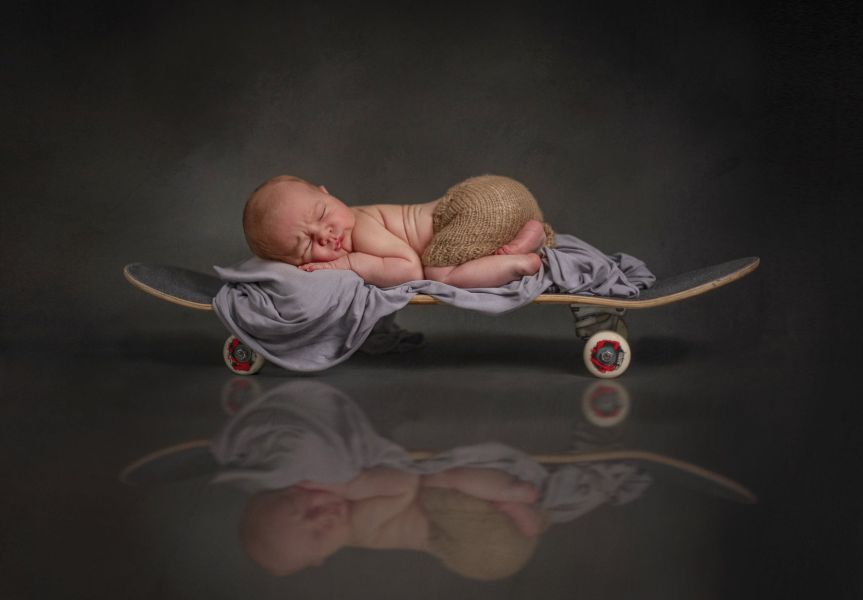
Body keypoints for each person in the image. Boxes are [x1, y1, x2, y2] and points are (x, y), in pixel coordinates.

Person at [242, 174, 555, 288]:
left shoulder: (361, 226)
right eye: (307, 244)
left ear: (327, 193)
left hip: (474, 208)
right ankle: (531, 235)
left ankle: (519, 262)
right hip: (507, 193)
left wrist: (348, 263)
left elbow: (408, 270)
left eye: (322, 214)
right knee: (463, 246)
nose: (325, 234)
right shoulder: (352, 223)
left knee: (438, 274)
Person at [240, 466, 547, 579]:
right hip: (474, 547)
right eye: (318, 537)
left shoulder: (348, 526)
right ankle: (512, 494)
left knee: (441, 487)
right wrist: (351, 486)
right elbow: (405, 483)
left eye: (303, 507)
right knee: (440, 478)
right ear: (320, 558)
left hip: (477, 555)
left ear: (294, 486)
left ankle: (527, 523)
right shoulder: (360, 524)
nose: (323, 518)